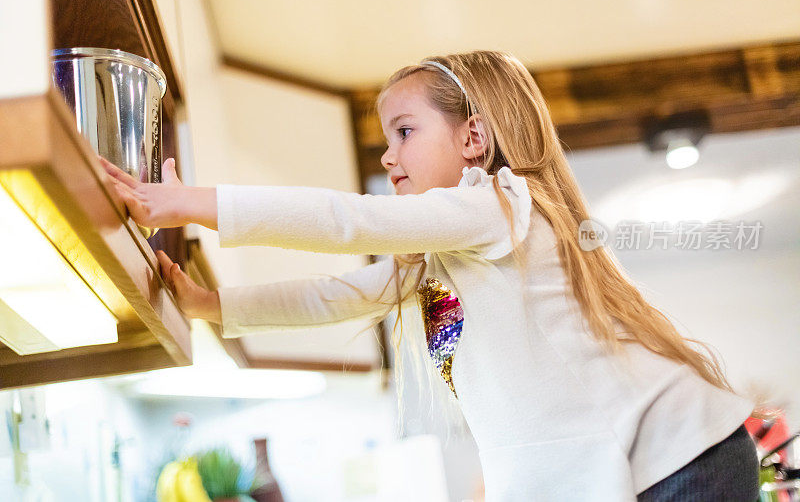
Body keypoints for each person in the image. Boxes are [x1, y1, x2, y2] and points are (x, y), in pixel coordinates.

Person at [99, 51, 760, 501]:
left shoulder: (497, 204)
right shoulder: (444, 255)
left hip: (685, 459)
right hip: (661, 467)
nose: (388, 155)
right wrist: (213, 305)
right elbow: (336, 295)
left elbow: (344, 221)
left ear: (472, 138)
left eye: (404, 131)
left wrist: (195, 204)